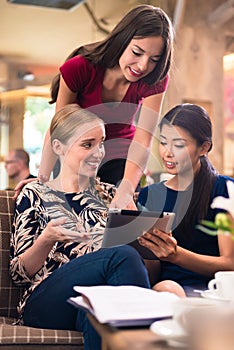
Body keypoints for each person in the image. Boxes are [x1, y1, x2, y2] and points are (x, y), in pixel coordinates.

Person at [9, 104, 151, 350]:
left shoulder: (112, 196)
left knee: (97, 308)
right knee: (120, 257)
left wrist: (148, 240)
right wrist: (46, 239)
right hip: (45, 301)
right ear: (58, 147)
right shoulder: (35, 193)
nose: (98, 152)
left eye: (102, 143)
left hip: (93, 296)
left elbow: (140, 268)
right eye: (87, 144)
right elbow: (18, 274)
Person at [38, 4, 174, 209]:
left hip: (119, 158)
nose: (143, 66)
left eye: (154, 60)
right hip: (77, 155)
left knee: (117, 222)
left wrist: (127, 190)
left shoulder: (154, 80)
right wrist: (42, 179)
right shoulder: (79, 68)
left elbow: (143, 139)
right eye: (137, 52)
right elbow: (59, 128)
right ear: (122, 40)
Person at [137, 103, 234, 296]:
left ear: (203, 147)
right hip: (165, 289)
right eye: (163, 142)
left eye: (179, 144)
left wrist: (176, 255)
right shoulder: (150, 195)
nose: (167, 152)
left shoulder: (224, 190)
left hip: (213, 290)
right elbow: (152, 273)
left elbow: (229, 264)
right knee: (165, 289)